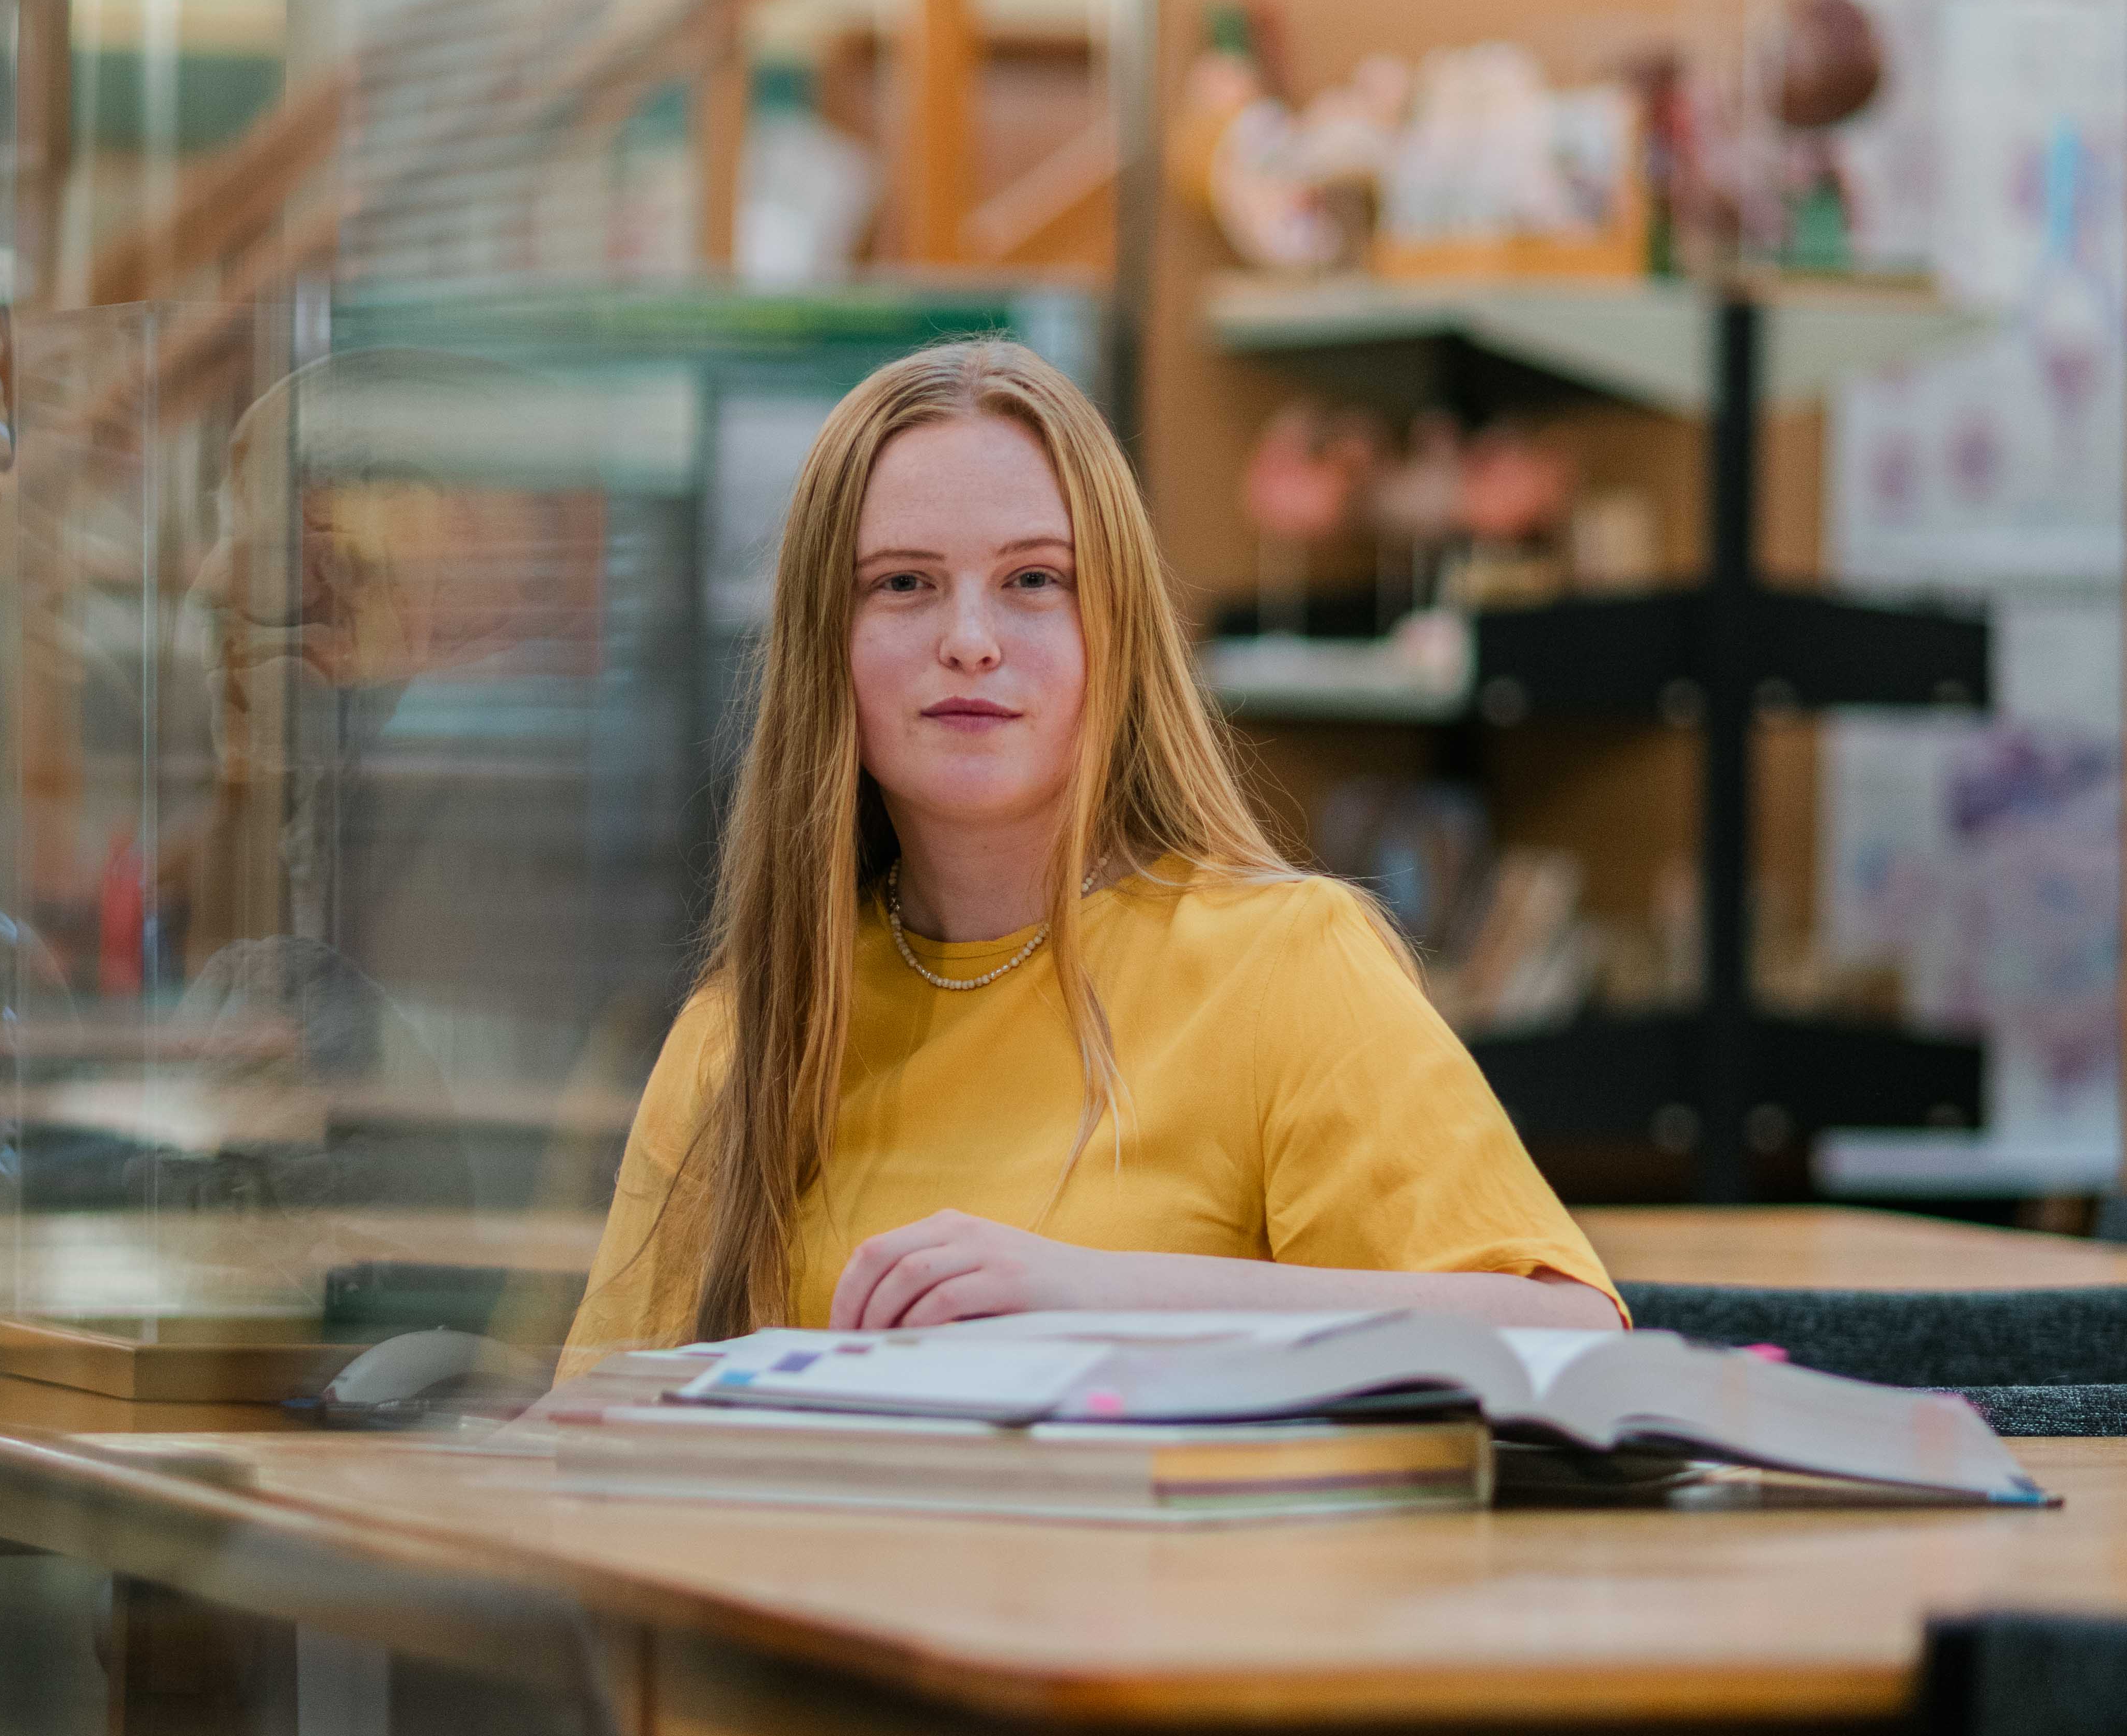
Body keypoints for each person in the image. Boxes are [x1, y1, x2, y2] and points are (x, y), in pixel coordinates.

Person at [564, 333, 1618, 1366]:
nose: (968, 639)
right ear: (821, 650)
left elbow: (1565, 1336)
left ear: (1116, 633)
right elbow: (592, 1435)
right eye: (902, 584)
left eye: (1034, 580)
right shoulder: (743, 1034)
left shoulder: (1286, 964)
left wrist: (1096, 1295)